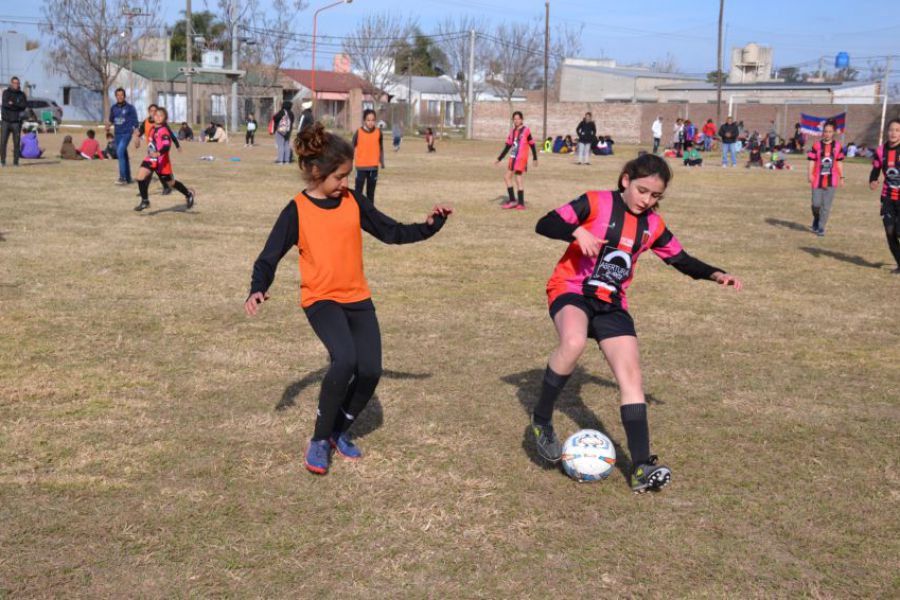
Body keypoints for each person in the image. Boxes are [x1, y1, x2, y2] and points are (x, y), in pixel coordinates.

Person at [244, 122, 453, 475]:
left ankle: (337, 432)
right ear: (315, 172)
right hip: (321, 299)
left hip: (357, 297)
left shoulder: (353, 200)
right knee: (344, 361)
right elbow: (269, 255)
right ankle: (318, 440)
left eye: (348, 176)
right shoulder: (296, 210)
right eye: (339, 177)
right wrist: (258, 286)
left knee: (369, 370)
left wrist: (429, 226)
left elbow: (391, 232)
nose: (345, 184)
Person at [530, 153, 742, 492]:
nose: (647, 201)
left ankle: (641, 466)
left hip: (612, 303)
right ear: (626, 180)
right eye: (642, 191)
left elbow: (681, 259)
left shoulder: (653, 226)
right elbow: (544, 223)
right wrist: (576, 232)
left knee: (632, 377)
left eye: (656, 196)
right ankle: (541, 422)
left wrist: (715, 273)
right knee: (573, 342)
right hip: (572, 290)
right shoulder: (595, 202)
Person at [133, 107, 196, 212]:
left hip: (162, 162)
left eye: (160, 115)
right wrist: (136, 138)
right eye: (156, 115)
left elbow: (166, 146)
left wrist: (158, 153)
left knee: (171, 183)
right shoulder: (152, 128)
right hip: (151, 159)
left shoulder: (164, 131)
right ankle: (145, 201)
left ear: (165, 118)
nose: (157, 117)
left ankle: (188, 194)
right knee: (140, 177)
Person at [869, 118, 900, 273]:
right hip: (888, 197)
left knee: (898, 230)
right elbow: (875, 169)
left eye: (897, 130)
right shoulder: (881, 151)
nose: (893, 133)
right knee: (890, 231)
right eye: (891, 130)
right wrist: (873, 180)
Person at [807, 119, 845, 237]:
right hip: (817, 178)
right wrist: (809, 174)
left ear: (833, 133)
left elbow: (839, 162)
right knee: (816, 204)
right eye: (825, 131)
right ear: (822, 132)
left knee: (826, 206)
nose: (827, 133)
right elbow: (812, 161)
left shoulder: (838, 146)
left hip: (832, 179)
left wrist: (842, 176)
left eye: (830, 131)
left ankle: (821, 227)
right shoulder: (816, 146)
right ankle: (816, 218)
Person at [495, 111, 537, 210]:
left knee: (517, 178)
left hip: (521, 158)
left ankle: (519, 203)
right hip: (513, 157)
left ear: (522, 119)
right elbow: (508, 146)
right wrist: (499, 158)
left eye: (518, 118)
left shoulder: (526, 130)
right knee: (508, 177)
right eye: (514, 119)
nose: (516, 120)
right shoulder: (512, 132)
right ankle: (515, 201)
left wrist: (535, 157)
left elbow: (532, 144)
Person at [106, 88, 139, 184]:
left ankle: (122, 178)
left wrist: (136, 136)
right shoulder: (113, 108)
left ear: (124, 96)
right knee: (124, 154)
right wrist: (108, 126)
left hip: (127, 133)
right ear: (115, 96)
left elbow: (135, 122)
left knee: (119, 152)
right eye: (118, 95)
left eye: (121, 95)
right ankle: (128, 178)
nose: (120, 97)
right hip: (117, 134)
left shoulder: (130, 108)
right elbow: (111, 120)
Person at [351, 109, 385, 203]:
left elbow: (381, 148)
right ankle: (357, 213)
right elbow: (351, 147)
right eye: (368, 120)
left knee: (371, 194)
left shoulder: (378, 132)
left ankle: (370, 215)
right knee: (358, 193)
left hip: (373, 168)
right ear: (364, 120)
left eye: (373, 120)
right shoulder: (358, 132)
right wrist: (349, 163)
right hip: (361, 168)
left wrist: (382, 162)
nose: (371, 122)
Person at [1, 76, 27, 167]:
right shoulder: (6, 93)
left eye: (18, 83)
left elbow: (23, 106)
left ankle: (15, 162)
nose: (16, 85)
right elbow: (5, 104)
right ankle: (2, 161)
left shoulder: (22, 94)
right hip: (6, 122)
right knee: (3, 142)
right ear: (11, 83)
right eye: (15, 83)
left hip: (16, 122)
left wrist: (13, 104)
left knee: (16, 143)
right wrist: (16, 106)